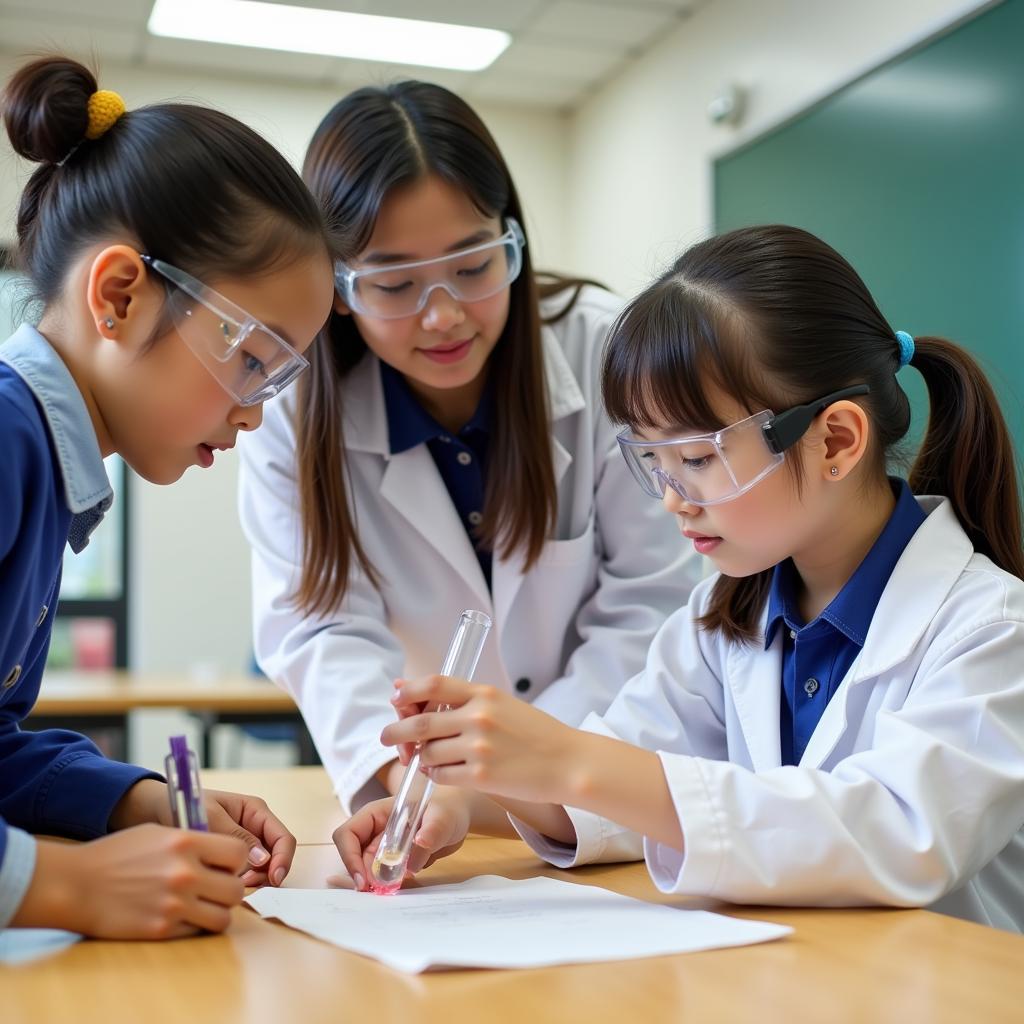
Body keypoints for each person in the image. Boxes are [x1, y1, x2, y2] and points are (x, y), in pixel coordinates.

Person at [341, 224, 1024, 931]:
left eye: (697, 457)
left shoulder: (990, 632)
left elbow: (899, 837)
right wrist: (463, 803)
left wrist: (568, 758)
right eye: (654, 459)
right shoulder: (724, 620)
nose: (672, 496)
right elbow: (634, 791)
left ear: (838, 440)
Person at [238, 81, 702, 846]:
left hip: (602, 782)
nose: (444, 314)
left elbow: (648, 601)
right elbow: (321, 629)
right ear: (340, 288)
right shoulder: (290, 405)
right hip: (423, 798)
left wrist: (530, 766)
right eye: (394, 283)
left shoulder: (607, 355)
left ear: (512, 240)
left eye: (475, 264)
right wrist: (408, 782)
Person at [0, 56, 335, 938]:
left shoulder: (37, 461)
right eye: (252, 361)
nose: (256, 416)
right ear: (119, 296)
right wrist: (62, 888)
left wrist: (133, 803)